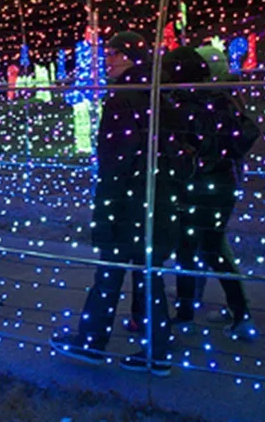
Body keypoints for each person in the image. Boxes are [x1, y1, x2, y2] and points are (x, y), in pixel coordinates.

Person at [52, 31, 177, 376]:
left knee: (109, 272)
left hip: (127, 201)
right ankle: (160, 350)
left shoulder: (124, 97)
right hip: (157, 197)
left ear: (129, 56)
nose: (107, 62)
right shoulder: (159, 92)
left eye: (112, 55)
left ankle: (92, 342)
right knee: (147, 277)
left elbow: (115, 157)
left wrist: (107, 196)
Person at [163, 46, 259, 339]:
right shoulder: (223, 100)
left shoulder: (177, 107)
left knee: (188, 251)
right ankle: (240, 313)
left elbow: (173, 150)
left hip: (192, 186)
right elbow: (246, 134)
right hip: (222, 184)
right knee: (213, 248)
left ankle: (185, 315)